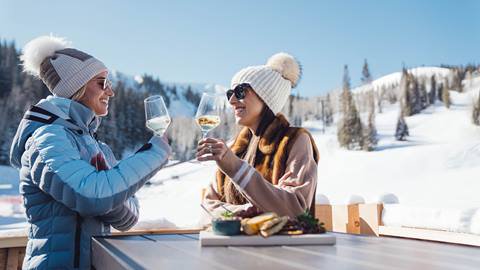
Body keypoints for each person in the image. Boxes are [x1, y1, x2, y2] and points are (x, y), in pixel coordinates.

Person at [9, 35, 171, 269]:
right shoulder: (47, 138)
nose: (111, 92)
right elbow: (91, 197)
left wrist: (108, 188)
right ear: (76, 87)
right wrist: (155, 152)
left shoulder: (96, 146)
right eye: (102, 82)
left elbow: (128, 218)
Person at [198, 52, 319, 220]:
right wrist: (245, 213)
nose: (232, 100)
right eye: (230, 93)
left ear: (266, 97)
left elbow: (295, 208)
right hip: (231, 245)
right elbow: (208, 205)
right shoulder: (235, 149)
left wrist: (236, 169)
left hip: (282, 246)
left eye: (240, 91)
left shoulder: (295, 141)